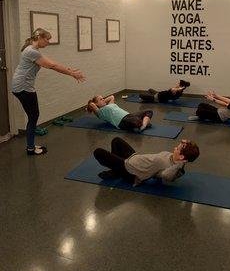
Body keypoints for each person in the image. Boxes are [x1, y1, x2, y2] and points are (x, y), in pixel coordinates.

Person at [12, 28, 85, 156]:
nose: (48, 42)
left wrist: (69, 69)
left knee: (33, 116)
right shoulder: (31, 51)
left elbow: (51, 62)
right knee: (33, 116)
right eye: (47, 39)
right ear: (39, 37)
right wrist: (72, 74)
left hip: (22, 86)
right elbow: (52, 66)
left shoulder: (31, 49)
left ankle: (31, 145)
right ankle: (30, 148)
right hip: (23, 87)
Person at [93, 136, 200, 186]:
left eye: (178, 148)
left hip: (130, 171)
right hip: (135, 158)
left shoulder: (170, 170)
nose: (175, 148)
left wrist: (181, 164)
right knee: (116, 141)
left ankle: (117, 172)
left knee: (98, 152)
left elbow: (169, 176)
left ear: (181, 158)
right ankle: (116, 171)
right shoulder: (174, 157)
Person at [86, 94, 153, 131]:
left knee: (149, 111)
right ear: (96, 104)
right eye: (101, 99)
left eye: (103, 98)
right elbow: (91, 104)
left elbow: (111, 97)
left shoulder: (110, 104)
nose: (103, 99)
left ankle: (143, 125)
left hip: (129, 115)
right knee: (138, 121)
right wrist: (96, 105)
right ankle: (144, 123)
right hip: (122, 121)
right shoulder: (101, 112)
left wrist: (102, 102)